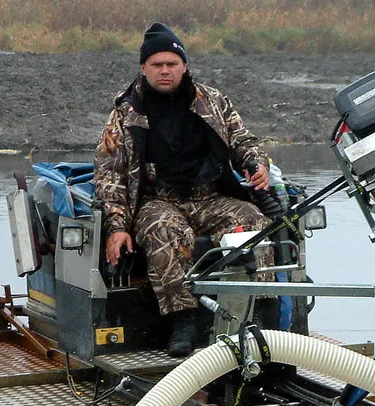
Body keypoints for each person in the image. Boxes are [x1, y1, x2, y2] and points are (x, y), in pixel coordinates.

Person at [93, 22, 273, 357]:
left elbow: (243, 140)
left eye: (172, 64)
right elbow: (109, 176)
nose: (165, 71)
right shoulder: (125, 114)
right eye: (157, 65)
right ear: (144, 68)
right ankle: (182, 321)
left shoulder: (213, 102)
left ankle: (254, 314)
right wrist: (116, 228)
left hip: (211, 196)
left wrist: (255, 163)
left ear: (184, 66)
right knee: (161, 229)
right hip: (158, 200)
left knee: (252, 221)